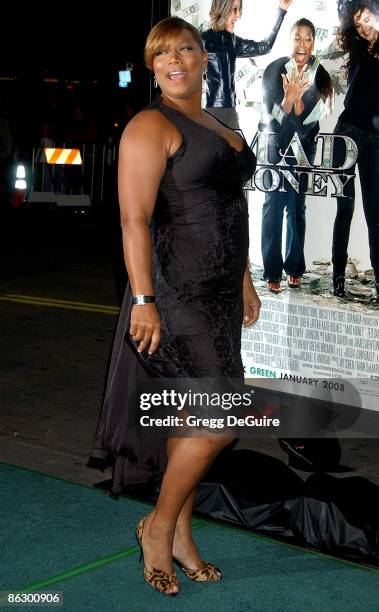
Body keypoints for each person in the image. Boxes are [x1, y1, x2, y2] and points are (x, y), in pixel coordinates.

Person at [89, 16, 259, 596]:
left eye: (185, 49)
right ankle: (157, 528)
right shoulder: (148, 124)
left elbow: (229, 206)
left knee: (192, 416)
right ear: (152, 67)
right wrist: (143, 299)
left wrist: (243, 280)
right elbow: (132, 220)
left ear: (204, 56)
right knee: (221, 419)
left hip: (219, 291)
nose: (175, 61)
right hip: (177, 292)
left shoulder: (214, 121)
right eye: (163, 55)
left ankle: (182, 534)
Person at [260, 18, 333, 292]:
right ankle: (272, 270)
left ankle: (294, 266)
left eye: (308, 38)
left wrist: (296, 103)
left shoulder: (321, 75)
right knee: (273, 206)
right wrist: (288, 100)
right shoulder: (274, 70)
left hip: (304, 146)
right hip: (276, 145)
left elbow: (308, 123)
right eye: (297, 37)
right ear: (290, 41)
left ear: (314, 43)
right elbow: (273, 122)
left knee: (297, 206)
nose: (302, 43)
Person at [332, 0, 379, 303]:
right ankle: (337, 279)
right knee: (344, 209)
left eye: (367, 19)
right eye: (358, 24)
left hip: (375, 139)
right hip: (347, 135)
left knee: (375, 213)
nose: (363, 28)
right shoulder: (359, 53)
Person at [201, 0, 293, 129]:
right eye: (234, 9)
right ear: (223, 8)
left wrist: (281, 10)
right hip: (213, 112)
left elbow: (265, 47)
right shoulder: (201, 40)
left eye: (238, 10)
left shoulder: (233, 41)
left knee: (236, 148)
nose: (238, 15)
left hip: (230, 111)